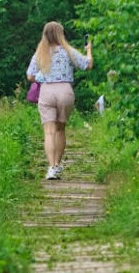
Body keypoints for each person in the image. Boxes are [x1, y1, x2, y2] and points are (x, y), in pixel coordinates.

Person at [25, 21, 93, 180]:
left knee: (49, 131)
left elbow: (30, 75)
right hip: (65, 91)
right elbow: (87, 65)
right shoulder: (68, 51)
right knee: (60, 130)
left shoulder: (40, 53)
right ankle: (58, 165)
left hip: (47, 91)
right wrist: (88, 50)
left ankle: (52, 167)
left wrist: (43, 76)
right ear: (60, 34)